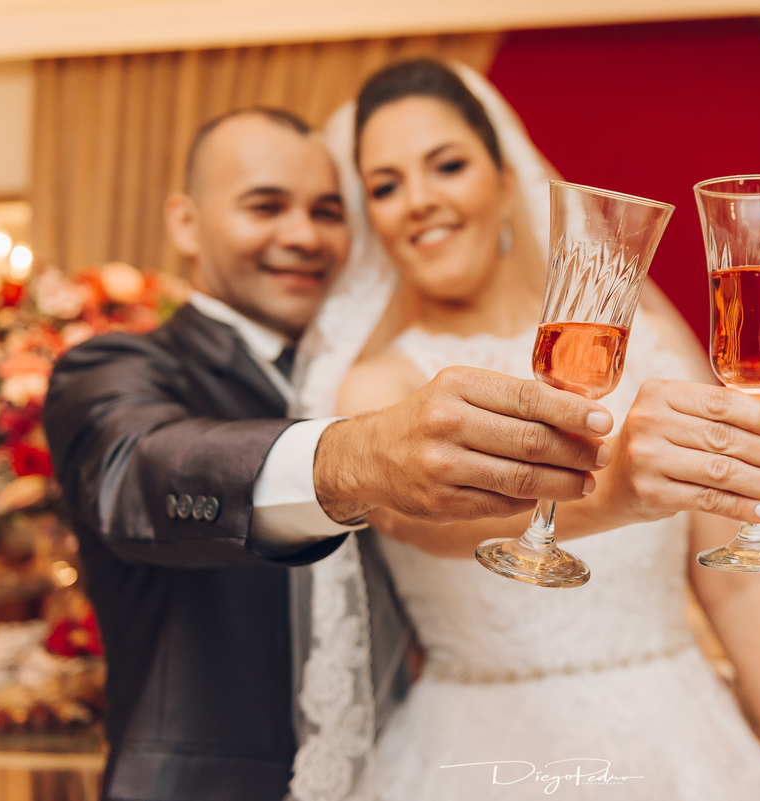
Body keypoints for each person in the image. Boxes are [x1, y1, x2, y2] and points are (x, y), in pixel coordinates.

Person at [293, 60, 760, 801]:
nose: (420, 200)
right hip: (479, 756)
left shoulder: (646, 345)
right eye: (385, 186)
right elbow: (418, 518)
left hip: (680, 738)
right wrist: (612, 492)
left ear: (506, 180)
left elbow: (736, 590)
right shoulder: (377, 385)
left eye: (448, 165)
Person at [42, 107, 624, 801]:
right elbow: (139, 467)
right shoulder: (114, 366)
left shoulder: (366, 370)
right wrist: (358, 456)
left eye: (326, 211)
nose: (303, 236)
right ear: (186, 223)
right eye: (266, 207)